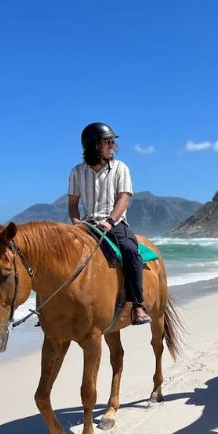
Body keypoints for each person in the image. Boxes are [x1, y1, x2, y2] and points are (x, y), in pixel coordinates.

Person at [68, 121, 151, 325]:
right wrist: (75, 221)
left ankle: (138, 305)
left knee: (130, 251)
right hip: (87, 225)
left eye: (113, 142)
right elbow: (73, 203)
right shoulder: (77, 171)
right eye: (109, 142)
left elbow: (124, 198)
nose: (113, 146)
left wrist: (110, 221)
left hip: (115, 223)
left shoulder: (121, 168)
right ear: (95, 145)